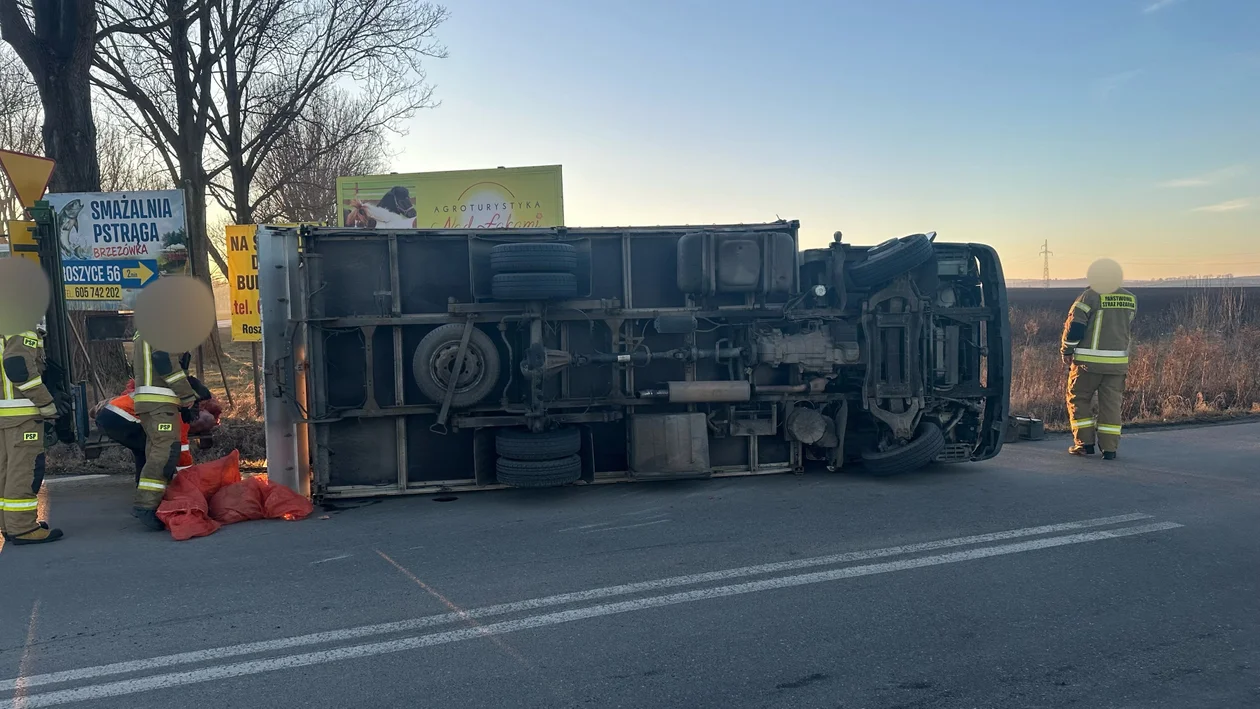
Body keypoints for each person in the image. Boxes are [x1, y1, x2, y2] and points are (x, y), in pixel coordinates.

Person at [96, 353, 211, 483]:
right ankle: (157, 487)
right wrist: (190, 477)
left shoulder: (165, 391)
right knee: (163, 450)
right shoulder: (178, 409)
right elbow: (181, 447)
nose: (198, 408)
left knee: (144, 449)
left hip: (108, 416)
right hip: (120, 419)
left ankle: (144, 485)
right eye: (198, 402)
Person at [1060, 281, 1137, 460]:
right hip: (1117, 364)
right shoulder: (1130, 298)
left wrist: (1067, 350)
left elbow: (1075, 327)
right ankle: (1110, 449)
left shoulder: (1090, 296)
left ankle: (1084, 444)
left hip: (1088, 364)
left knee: (1079, 398)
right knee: (1111, 405)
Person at [130, 331, 198, 530]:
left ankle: (155, 503)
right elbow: (164, 359)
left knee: (155, 451)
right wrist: (186, 395)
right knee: (165, 453)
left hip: (148, 402)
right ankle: (146, 505)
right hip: (160, 403)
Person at [0, 327, 63, 544]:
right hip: (22, 415)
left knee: (6, 471)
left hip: (5, 414)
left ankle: (10, 525)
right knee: (23, 470)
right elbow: (18, 366)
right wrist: (45, 403)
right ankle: (23, 528)